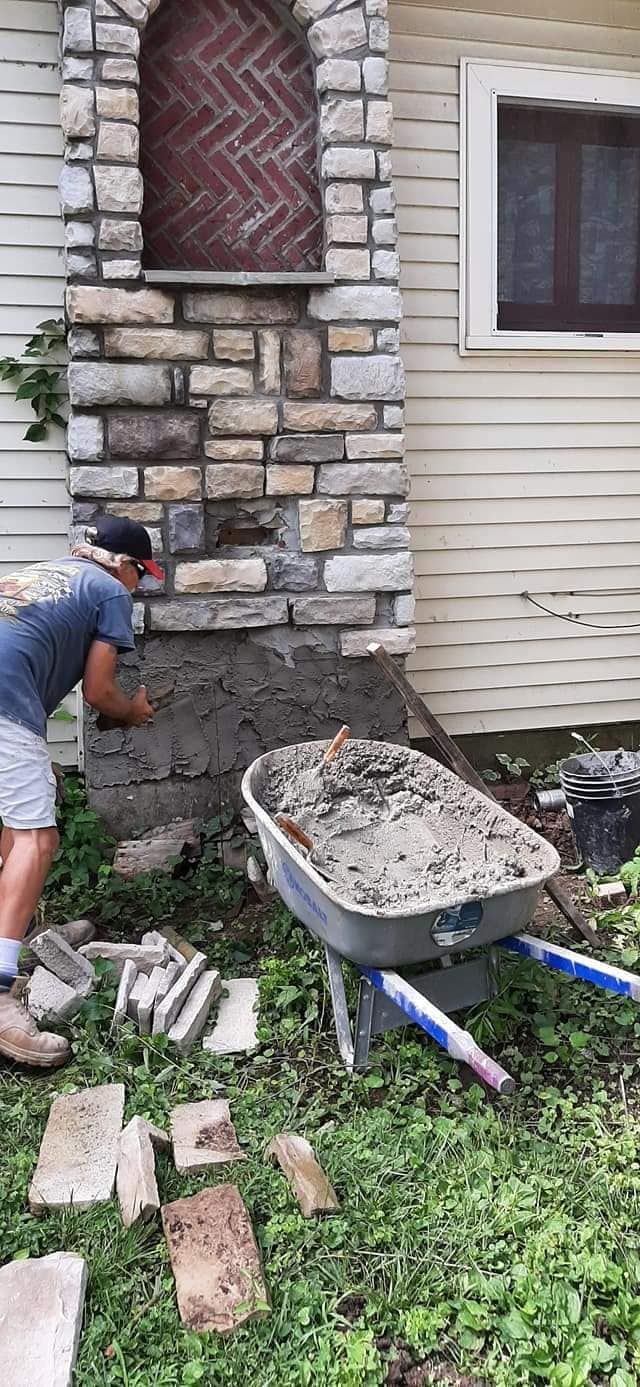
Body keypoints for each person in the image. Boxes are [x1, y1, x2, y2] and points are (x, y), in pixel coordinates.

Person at [0, 517, 163, 1068]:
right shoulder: (110, 590)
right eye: (143, 575)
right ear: (125, 564)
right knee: (36, 840)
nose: (138, 588)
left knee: (12, 828)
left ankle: (16, 936)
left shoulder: (45, 574)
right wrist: (133, 711)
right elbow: (99, 691)